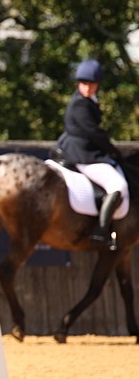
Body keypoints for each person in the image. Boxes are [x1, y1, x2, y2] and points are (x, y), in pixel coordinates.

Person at [55, 58, 126, 250]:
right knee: (117, 185)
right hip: (83, 154)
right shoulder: (80, 104)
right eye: (84, 83)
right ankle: (101, 232)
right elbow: (93, 132)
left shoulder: (88, 101)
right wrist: (112, 150)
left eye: (91, 84)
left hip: (83, 150)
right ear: (79, 83)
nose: (87, 87)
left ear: (97, 85)